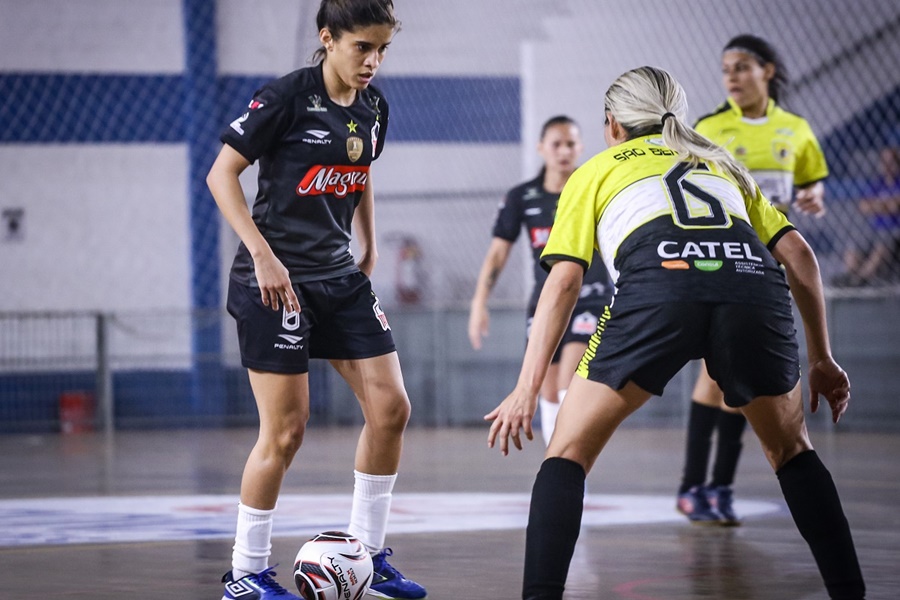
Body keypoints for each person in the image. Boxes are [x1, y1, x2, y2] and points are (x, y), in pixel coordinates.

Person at [486, 66, 865, 600]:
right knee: (792, 452)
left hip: (658, 288)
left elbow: (565, 280)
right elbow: (800, 256)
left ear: (612, 125)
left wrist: (527, 387)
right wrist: (823, 358)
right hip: (751, 287)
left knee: (566, 454)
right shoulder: (723, 163)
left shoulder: (594, 170)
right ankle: (851, 591)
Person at [206, 1, 427, 598]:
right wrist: (261, 253)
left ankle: (370, 557)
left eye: (382, 49)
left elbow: (361, 172)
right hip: (275, 282)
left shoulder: (375, 107)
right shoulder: (285, 98)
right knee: (287, 431)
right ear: (328, 39)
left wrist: (370, 243)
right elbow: (220, 175)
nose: (373, 61)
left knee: (391, 409)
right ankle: (246, 574)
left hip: (341, 279)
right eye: (362, 47)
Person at [676, 34, 831, 525]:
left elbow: (811, 184)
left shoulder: (795, 130)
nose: (732, 77)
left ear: (768, 71)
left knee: (731, 380)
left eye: (742, 67)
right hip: (725, 260)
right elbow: (684, 187)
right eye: (726, 69)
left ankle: (707, 489)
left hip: (769, 268)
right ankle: (702, 488)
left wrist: (814, 199)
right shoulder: (709, 128)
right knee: (723, 376)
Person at [468, 116, 612, 446]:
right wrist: (479, 304)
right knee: (546, 390)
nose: (564, 151)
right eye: (556, 144)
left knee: (567, 384)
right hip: (546, 300)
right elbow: (497, 254)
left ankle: (571, 463)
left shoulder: (592, 188)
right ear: (541, 148)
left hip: (590, 297)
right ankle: (558, 458)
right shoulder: (522, 197)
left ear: (581, 148)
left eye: (571, 144)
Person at [833, 146, 900, 287]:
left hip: (893, 230)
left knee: (884, 241)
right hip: (874, 228)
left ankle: (862, 278)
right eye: (884, 162)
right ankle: (850, 275)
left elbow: (895, 206)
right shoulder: (878, 184)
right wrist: (886, 205)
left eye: (891, 162)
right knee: (855, 236)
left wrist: (877, 205)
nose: (887, 166)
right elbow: (864, 206)